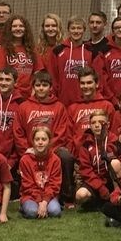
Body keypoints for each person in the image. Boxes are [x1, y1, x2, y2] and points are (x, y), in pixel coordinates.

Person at [13, 71, 74, 206]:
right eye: (38, 85)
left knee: (66, 157)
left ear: (50, 87)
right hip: (30, 150)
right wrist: (29, 150)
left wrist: (48, 151)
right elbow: (18, 132)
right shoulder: (23, 107)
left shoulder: (59, 107)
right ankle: (30, 195)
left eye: (45, 85)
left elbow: (61, 132)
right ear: (33, 87)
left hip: (52, 150)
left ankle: (66, 197)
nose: (41, 88)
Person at [75, 109, 121, 209]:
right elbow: (86, 171)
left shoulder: (114, 141)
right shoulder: (86, 144)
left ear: (107, 124)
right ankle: (101, 202)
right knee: (80, 195)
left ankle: (117, 198)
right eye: (93, 123)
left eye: (101, 122)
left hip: (113, 182)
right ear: (90, 125)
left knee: (115, 163)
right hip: (96, 183)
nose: (97, 125)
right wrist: (100, 188)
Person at [0, 15, 44, 99]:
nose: (18, 28)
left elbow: (38, 74)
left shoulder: (32, 50)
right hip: (10, 95)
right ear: (10, 29)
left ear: (25, 29)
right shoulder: (2, 50)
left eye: (21, 26)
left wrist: (34, 93)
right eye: (14, 26)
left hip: (29, 96)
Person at [67, 67, 116, 153]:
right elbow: (68, 137)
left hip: (103, 155)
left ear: (97, 84)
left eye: (89, 83)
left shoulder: (107, 106)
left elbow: (113, 133)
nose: (86, 86)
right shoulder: (72, 108)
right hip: (77, 155)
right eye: (82, 83)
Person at [18, 126, 62, 219]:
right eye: (37, 139)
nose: (40, 142)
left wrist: (45, 202)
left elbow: (54, 185)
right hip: (30, 196)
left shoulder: (55, 160)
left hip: (49, 196)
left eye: (44, 139)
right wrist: (39, 201)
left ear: (49, 141)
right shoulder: (25, 160)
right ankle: (24, 206)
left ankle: (45, 207)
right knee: (32, 213)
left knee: (55, 212)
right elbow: (27, 185)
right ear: (33, 141)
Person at [50, 15, 93, 107]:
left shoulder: (90, 51)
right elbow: (53, 77)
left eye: (79, 28)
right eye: (73, 28)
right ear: (68, 30)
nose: (76, 31)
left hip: (85, 101)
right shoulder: (58, 50)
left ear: (84, 30)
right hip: (63, 100)